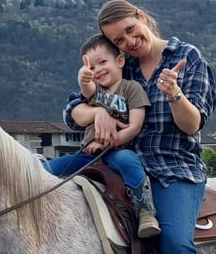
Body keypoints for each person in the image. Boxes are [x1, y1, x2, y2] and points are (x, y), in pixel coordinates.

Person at [63, 0, 216, 254]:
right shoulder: (117, 64)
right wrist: (95, 111)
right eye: (119, 39)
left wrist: (174, 93)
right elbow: (72, 110)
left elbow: (191, 124)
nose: (129, 42)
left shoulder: (187, 57)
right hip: (116, 162)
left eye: (131, 31)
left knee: (175, 242)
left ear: (143, 18)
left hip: (172, 167)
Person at [44, 33, 161, 239]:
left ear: (120, 60)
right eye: (92, 67)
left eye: (103, 62)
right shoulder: (96, 90)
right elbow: (87, 89)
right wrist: (84, 79)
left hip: (118, 150)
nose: (98, 70)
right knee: (46, 168)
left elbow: (134, 126)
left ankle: (145, 212)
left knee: (129, 161)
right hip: (89, 153)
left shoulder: (131, 89)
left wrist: (107, 142)